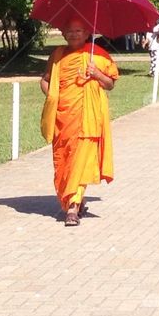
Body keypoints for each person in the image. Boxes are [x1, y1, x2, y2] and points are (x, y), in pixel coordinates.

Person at [39, 18, 118, 226]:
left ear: (87, 33)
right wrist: (53, 98)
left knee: (81, 160)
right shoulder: (57, 56)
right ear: (63, 34)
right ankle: (75, 197)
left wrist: (97, 73)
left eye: (79, 30)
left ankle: (72, 207)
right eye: (70, 31)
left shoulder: (98, 55)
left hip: (88, 118)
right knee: (64, 161)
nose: (74, 34)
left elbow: (110, 84)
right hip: (63, 119)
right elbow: (45, 80)